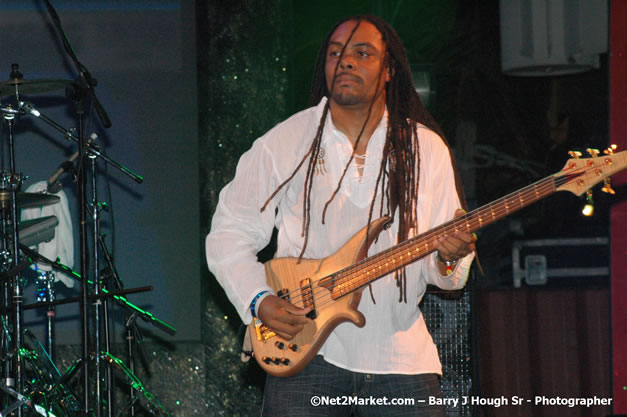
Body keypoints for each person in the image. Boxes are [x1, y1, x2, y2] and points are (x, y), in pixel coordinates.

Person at [206, 14, 476, 417]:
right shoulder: (284, 142)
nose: (345, 61)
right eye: (336, 54)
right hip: (305, 356)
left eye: (362, 53)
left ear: (388, 71)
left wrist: (449, 256)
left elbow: (443, 274)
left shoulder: (425, 149)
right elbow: (229, 234)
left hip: (401, 360)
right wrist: (259, 301)